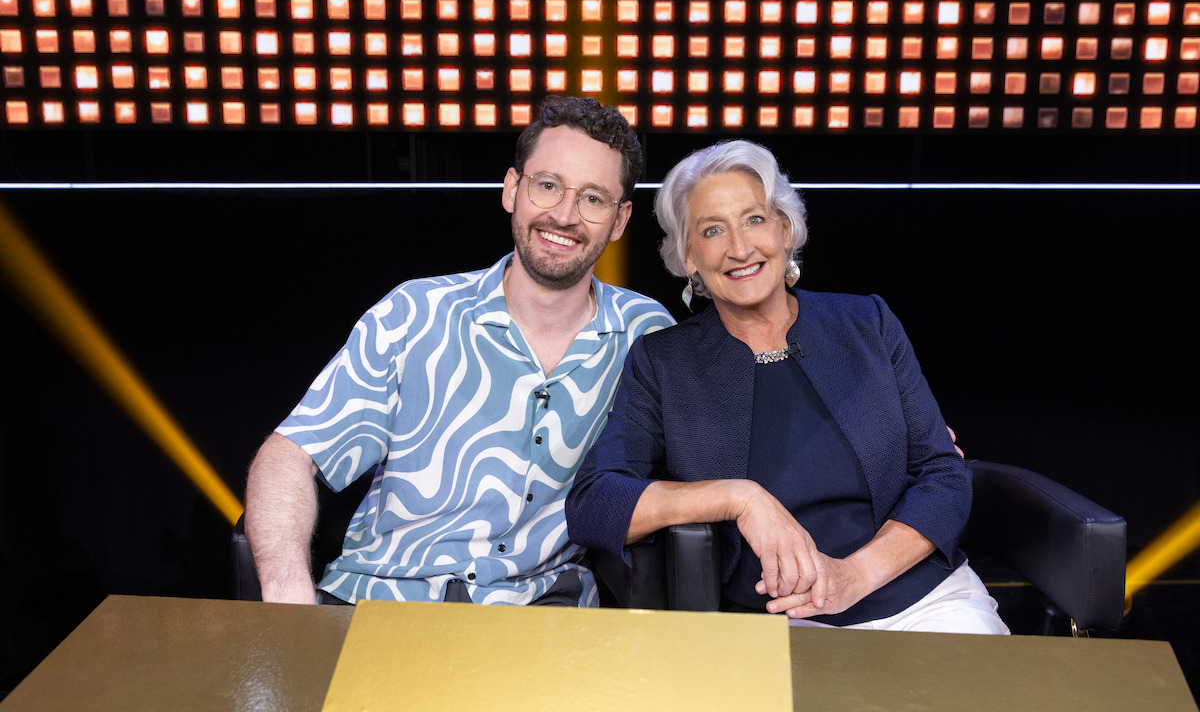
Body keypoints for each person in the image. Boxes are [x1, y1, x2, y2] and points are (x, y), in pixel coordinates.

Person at [244, 96, 673, 607]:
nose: (564, 215)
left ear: (620, 220)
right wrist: (288, 594)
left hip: (539, 614)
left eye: (593, 198)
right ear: (512, 189)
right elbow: (290, 455)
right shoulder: (415, 312)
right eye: (548, 185)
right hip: (381, 600)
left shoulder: (645, 334)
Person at [565, 140, 1008, 633]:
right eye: (712, 230)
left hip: (923, 599)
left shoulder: (868, 322)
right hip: (780, 617)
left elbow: (944, 474)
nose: (739, 248)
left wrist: (854, 577)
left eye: (754, 219)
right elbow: (594, 503)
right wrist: (740, 497)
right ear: (689, 256)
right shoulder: (663, 362)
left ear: (785, 228)